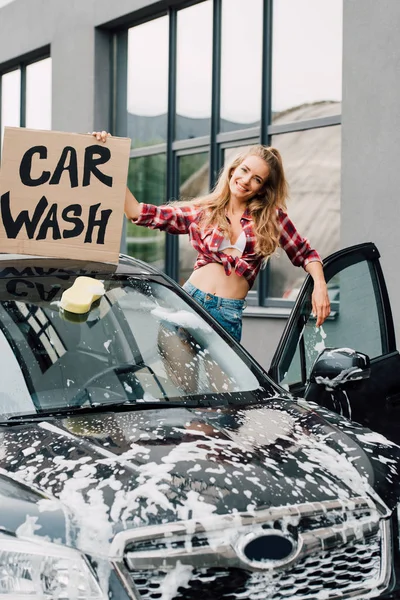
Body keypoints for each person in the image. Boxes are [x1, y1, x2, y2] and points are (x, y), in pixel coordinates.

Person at [92, 131, 331, 342]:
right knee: (187, 393)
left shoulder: (272, 219)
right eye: (244, 170)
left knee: (226, 392)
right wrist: (110, 157)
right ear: (233, 170)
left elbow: (305, 253)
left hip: (227, 314)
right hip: (188, 303)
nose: (246, 180)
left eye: (257, 179)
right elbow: (138, 213)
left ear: (263, 188)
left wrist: (319, 286)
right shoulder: (202, 211)